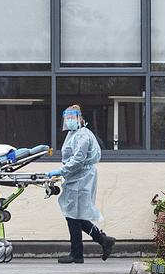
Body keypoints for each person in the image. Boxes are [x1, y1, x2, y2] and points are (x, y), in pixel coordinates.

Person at [47, 105, 116, 263]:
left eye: (72, 118)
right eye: (67, 119)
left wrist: (61, 170)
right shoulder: (73, 134)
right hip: (75, 177)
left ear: (79, 118)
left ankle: (77, 253)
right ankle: (103, 240)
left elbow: (78, 159)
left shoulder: (83, 135)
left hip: (81, 178)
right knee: (74, 215)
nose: (69, 121)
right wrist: (64, 171)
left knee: (72, 215)